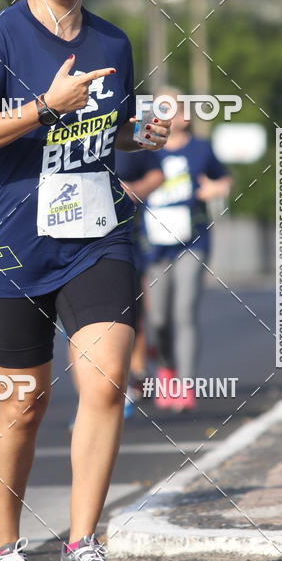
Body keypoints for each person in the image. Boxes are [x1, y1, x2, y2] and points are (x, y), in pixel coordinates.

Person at [0, 0, 169, 561]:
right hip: (14, 244)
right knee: (22, 405)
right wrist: (47, 105)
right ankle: (5, 549)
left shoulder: (113, 41)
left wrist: (143, 134)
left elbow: (110, 127)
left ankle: (82, 546)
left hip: (94, 235)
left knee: (107, 379)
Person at [144, 91, 232, 412]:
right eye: (158, 109)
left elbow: (223, 179)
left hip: (192, 241)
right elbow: (123, 177)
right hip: (153, 245)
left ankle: (185, 384)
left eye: (171, 109)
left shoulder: (201, 149)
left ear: (185, 116)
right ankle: (166, 371)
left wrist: (215, 189)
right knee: (158, 320)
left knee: (184, 312)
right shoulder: (144, 147)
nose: (165, 115)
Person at [114, 148, 164, 416]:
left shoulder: (129, 122)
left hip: (127, 238)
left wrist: (134, 190)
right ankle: (95, 393)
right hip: (75, 241)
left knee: (133, 313)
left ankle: (138, 371)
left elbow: (157, 174)